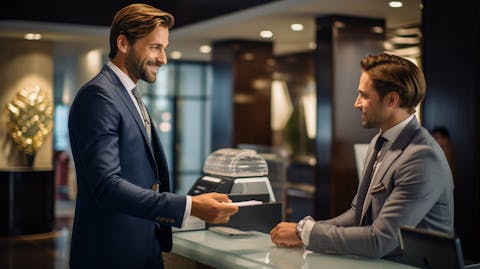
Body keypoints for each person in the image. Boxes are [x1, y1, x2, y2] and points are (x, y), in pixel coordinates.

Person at [68, 4, 238, 269]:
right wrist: (189, 206)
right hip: (110, 254)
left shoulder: (128, 94)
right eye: (155, 47)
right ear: (123, 43)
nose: (163, 59)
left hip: (143, 248)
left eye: (164, 48)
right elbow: (107, 187)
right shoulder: (99, 96)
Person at [270, 53, 454, 261]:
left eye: (364, 95)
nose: (357, 103)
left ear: (392, 100)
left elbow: (380, 240)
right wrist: (304, 230)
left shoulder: (422, 157)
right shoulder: (378, 142)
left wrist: (306, 233)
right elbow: (358, 214)